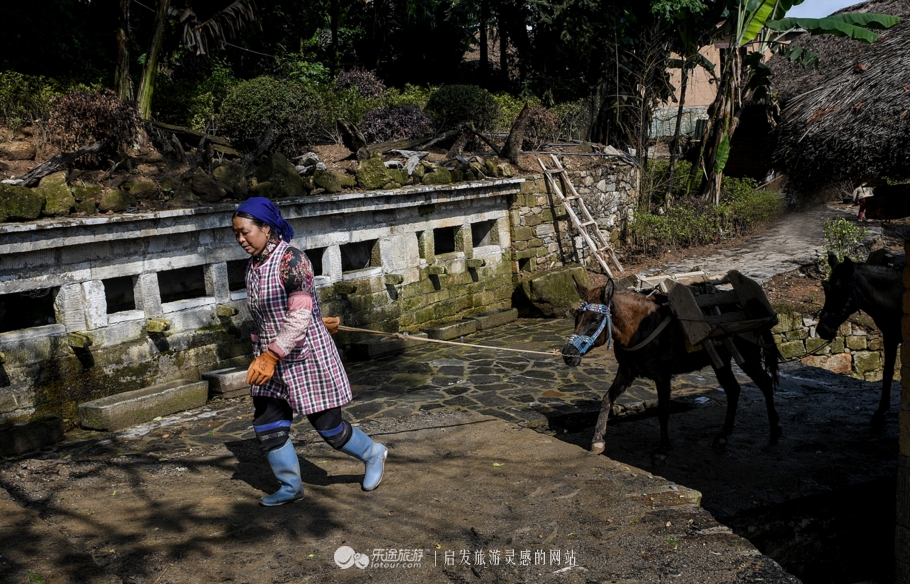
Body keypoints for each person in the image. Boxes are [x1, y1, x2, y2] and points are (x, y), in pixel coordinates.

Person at [231, 197, 387, 506]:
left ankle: (373, 453)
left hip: (304, 358)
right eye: (236, 233)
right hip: (271, 360)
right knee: (268, 426)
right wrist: (266, 350)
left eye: (245, 232)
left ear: (265, 227)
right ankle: (291, 487)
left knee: (330, 429)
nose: (240, 239)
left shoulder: (293, 260)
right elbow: (274, 312)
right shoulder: (254, 265)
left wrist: (273, 353)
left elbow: (299, 316)